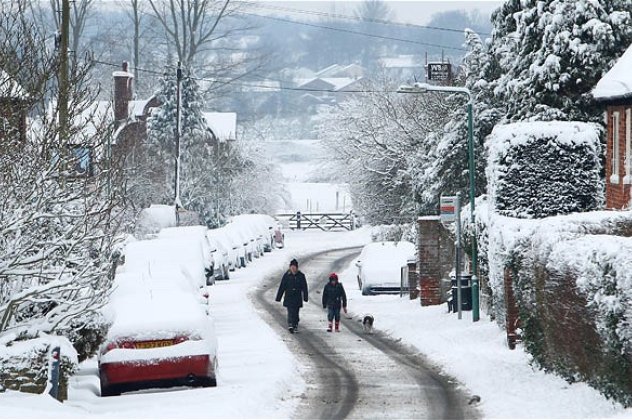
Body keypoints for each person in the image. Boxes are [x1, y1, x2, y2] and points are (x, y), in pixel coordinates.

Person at [275, 258, 308, 334]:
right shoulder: (287, 276)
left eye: (294, 267)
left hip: (297, 297)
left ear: (297, 267)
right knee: (290, 312)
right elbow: (282, 286)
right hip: (289, 297)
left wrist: (305, 297)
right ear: (290, 267)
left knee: (296, 313)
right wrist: (278, 297)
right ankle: (290, 325)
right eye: (292, 267)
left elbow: (304, 287)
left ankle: (295, 324)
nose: (293, 268)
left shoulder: (301, 276)